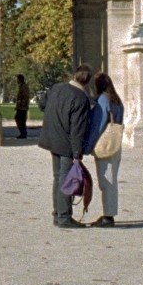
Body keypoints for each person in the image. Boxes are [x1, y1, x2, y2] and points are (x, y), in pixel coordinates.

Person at [37, 65, 93, 229]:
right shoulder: (81, 98)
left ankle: (58, 213)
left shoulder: (57, 88)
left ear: (74, 75)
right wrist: (78, 153)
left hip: (52, 139)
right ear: (87, 81)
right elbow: (78, 129)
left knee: (57, 178)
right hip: (67, 144)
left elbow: (41, 104)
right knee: (66, 180)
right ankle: (64, 217)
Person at [81, 72, 125, 227]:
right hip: (116, 144)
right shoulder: (117, 100)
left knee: (106, 181)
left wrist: (86, 148)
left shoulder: (103, 100)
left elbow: (97, 126)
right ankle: (109, 213)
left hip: (104, 144)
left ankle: (108, 216)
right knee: (111, 180)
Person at [13, 74, 31, 139]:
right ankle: (22, 133)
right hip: (20, 107)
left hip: (22, 108)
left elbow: (25, 97)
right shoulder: (21, 86)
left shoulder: (24, 87)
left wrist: (22, 104)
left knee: (21, 120)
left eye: (17, 79)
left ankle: (23, 134)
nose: (16, 80)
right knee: (19, 119)